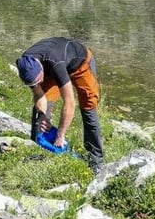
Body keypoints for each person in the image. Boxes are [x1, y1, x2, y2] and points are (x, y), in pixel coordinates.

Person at [15, 36, 103, 173]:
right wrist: (43, 115)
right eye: (32, 84)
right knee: (42, 111)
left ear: (41, 70)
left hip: (80, 63)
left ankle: (96, 161)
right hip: (49, 66)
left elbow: (69, 102)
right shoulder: (26, 65)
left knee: (88, 106)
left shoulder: (55, 64)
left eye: (38, 80)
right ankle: (39, 149)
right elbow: (39, 95)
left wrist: (60, 135)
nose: (36, 85)